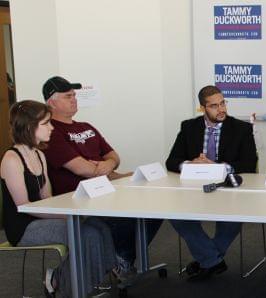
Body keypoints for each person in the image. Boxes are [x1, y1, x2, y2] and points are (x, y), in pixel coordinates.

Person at [41, 76, 162, 282]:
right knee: (124, 217)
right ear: (51, 102)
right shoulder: (51, 132)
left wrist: (109, 167)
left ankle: (121, 259)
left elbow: (113, 156)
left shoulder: (86, 126)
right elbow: (82, 169)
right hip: (81, 198)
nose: (74, 99)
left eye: (75, 95)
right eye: (68, 96)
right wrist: (104, 168)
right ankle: (117, 262)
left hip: (106, 188)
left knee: (156, 209)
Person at [0, 100, 115, 296]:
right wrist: (67, 216)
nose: (51, 127)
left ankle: (81, 281)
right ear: (29, 126)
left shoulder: (38, 154)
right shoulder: (11, 159)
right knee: (86, 233)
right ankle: (68, 287)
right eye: (46, 123)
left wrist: (70, 212)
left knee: (99, 226)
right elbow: (25, 207)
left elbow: (47, 198)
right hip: (23, 227)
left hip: (38, 218)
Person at [166, 85, 258, 281]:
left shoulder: (241, 129)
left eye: (223, 103)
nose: (221, 109)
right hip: (193, 189)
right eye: (214, 106)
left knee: (231, 221)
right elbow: (171, 161)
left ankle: (207, 260)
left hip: (227, 188)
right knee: (177, 217)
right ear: (203, 108)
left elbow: (249, 164)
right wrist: (190, 164)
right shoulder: (188, 127)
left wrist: (217, 167)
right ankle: (212, 260)